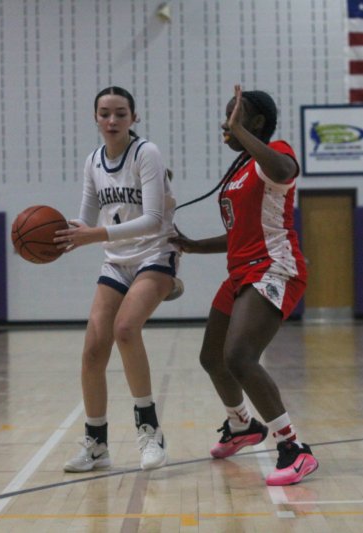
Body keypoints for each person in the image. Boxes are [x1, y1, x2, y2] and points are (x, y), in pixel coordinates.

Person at [170, 85, 318, 486]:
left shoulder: (275, 155)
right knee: (212, 358)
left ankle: (294, 448)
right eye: (225, 116)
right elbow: (237, 233)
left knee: (239, 357)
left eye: (233, 116)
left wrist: (245, 135)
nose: (224, 123)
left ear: (255, 123)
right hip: (241, 271)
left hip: (274, 267)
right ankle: (242, 426)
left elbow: (287, 171)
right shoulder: (239, 168)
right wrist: (192, 245)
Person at [55, 86, 181, 472]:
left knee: (126, 328)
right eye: (105, 113)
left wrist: (95, 235)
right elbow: (86, 218)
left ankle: (150, 433)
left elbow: (155, 219)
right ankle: (96, 444)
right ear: (95, 118)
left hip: (156, 253)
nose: (112, 121)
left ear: (134, 118)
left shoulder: (147, 153)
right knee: (94, 347)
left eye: (121, 113)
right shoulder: (93, 160)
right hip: (117, 262)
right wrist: (60, 236)